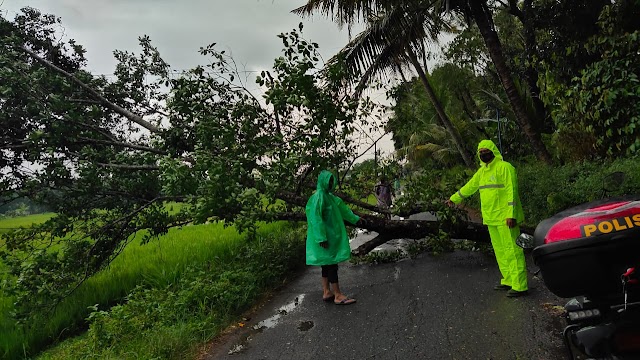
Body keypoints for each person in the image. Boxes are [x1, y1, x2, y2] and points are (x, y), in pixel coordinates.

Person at [446, 140, 528, 297]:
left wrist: (511, 214)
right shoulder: (482, 172)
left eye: (486, 151)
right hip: (491, 218)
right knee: (500, 251)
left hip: (505, 218)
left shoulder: (505, 168)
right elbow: (469, 187)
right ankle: (509, 280)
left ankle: (520, 285)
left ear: (493, 150)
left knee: (512, 250)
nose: (483, 154)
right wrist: (454, 198)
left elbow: (512, 191)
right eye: (480, 152)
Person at [306, 170, 361, 305]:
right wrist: (321, 238)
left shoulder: (329, 197)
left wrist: (357, 220)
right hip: (326, 238)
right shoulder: (319, 197)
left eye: (332, 181)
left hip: (330, 237)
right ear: (323, 181)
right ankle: (338, 295)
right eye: (329, 181)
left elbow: (344, 210)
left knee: (326, 265)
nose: (331, 183)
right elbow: (315, 218)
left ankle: (326, 292)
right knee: (331, 265)